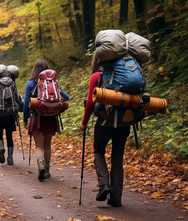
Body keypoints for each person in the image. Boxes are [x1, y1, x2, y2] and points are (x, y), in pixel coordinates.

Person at [79, 54, 130, 207]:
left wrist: (84, 123)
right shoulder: (125, 75)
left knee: (98, 150)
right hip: (123, 122)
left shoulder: (96, 76)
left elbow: (90, 102)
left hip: (104, 121)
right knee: (117, 159)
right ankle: (116, 198)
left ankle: (103, 185)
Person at [23, 59, 69, 181]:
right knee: (47, 145)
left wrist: (25, 119)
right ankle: (47, 170)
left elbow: (26, 103)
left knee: (39, 146)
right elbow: (67, 97)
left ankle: (40, 165)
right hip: (51, 118)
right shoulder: (53, 83)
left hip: (37, 118)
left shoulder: (31, 84)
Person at [0, 65, 22, 165]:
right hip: (11, 114)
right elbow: (16, 98)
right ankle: (10, 158)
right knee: (9, 136)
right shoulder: (12, 83)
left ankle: (1, 147)